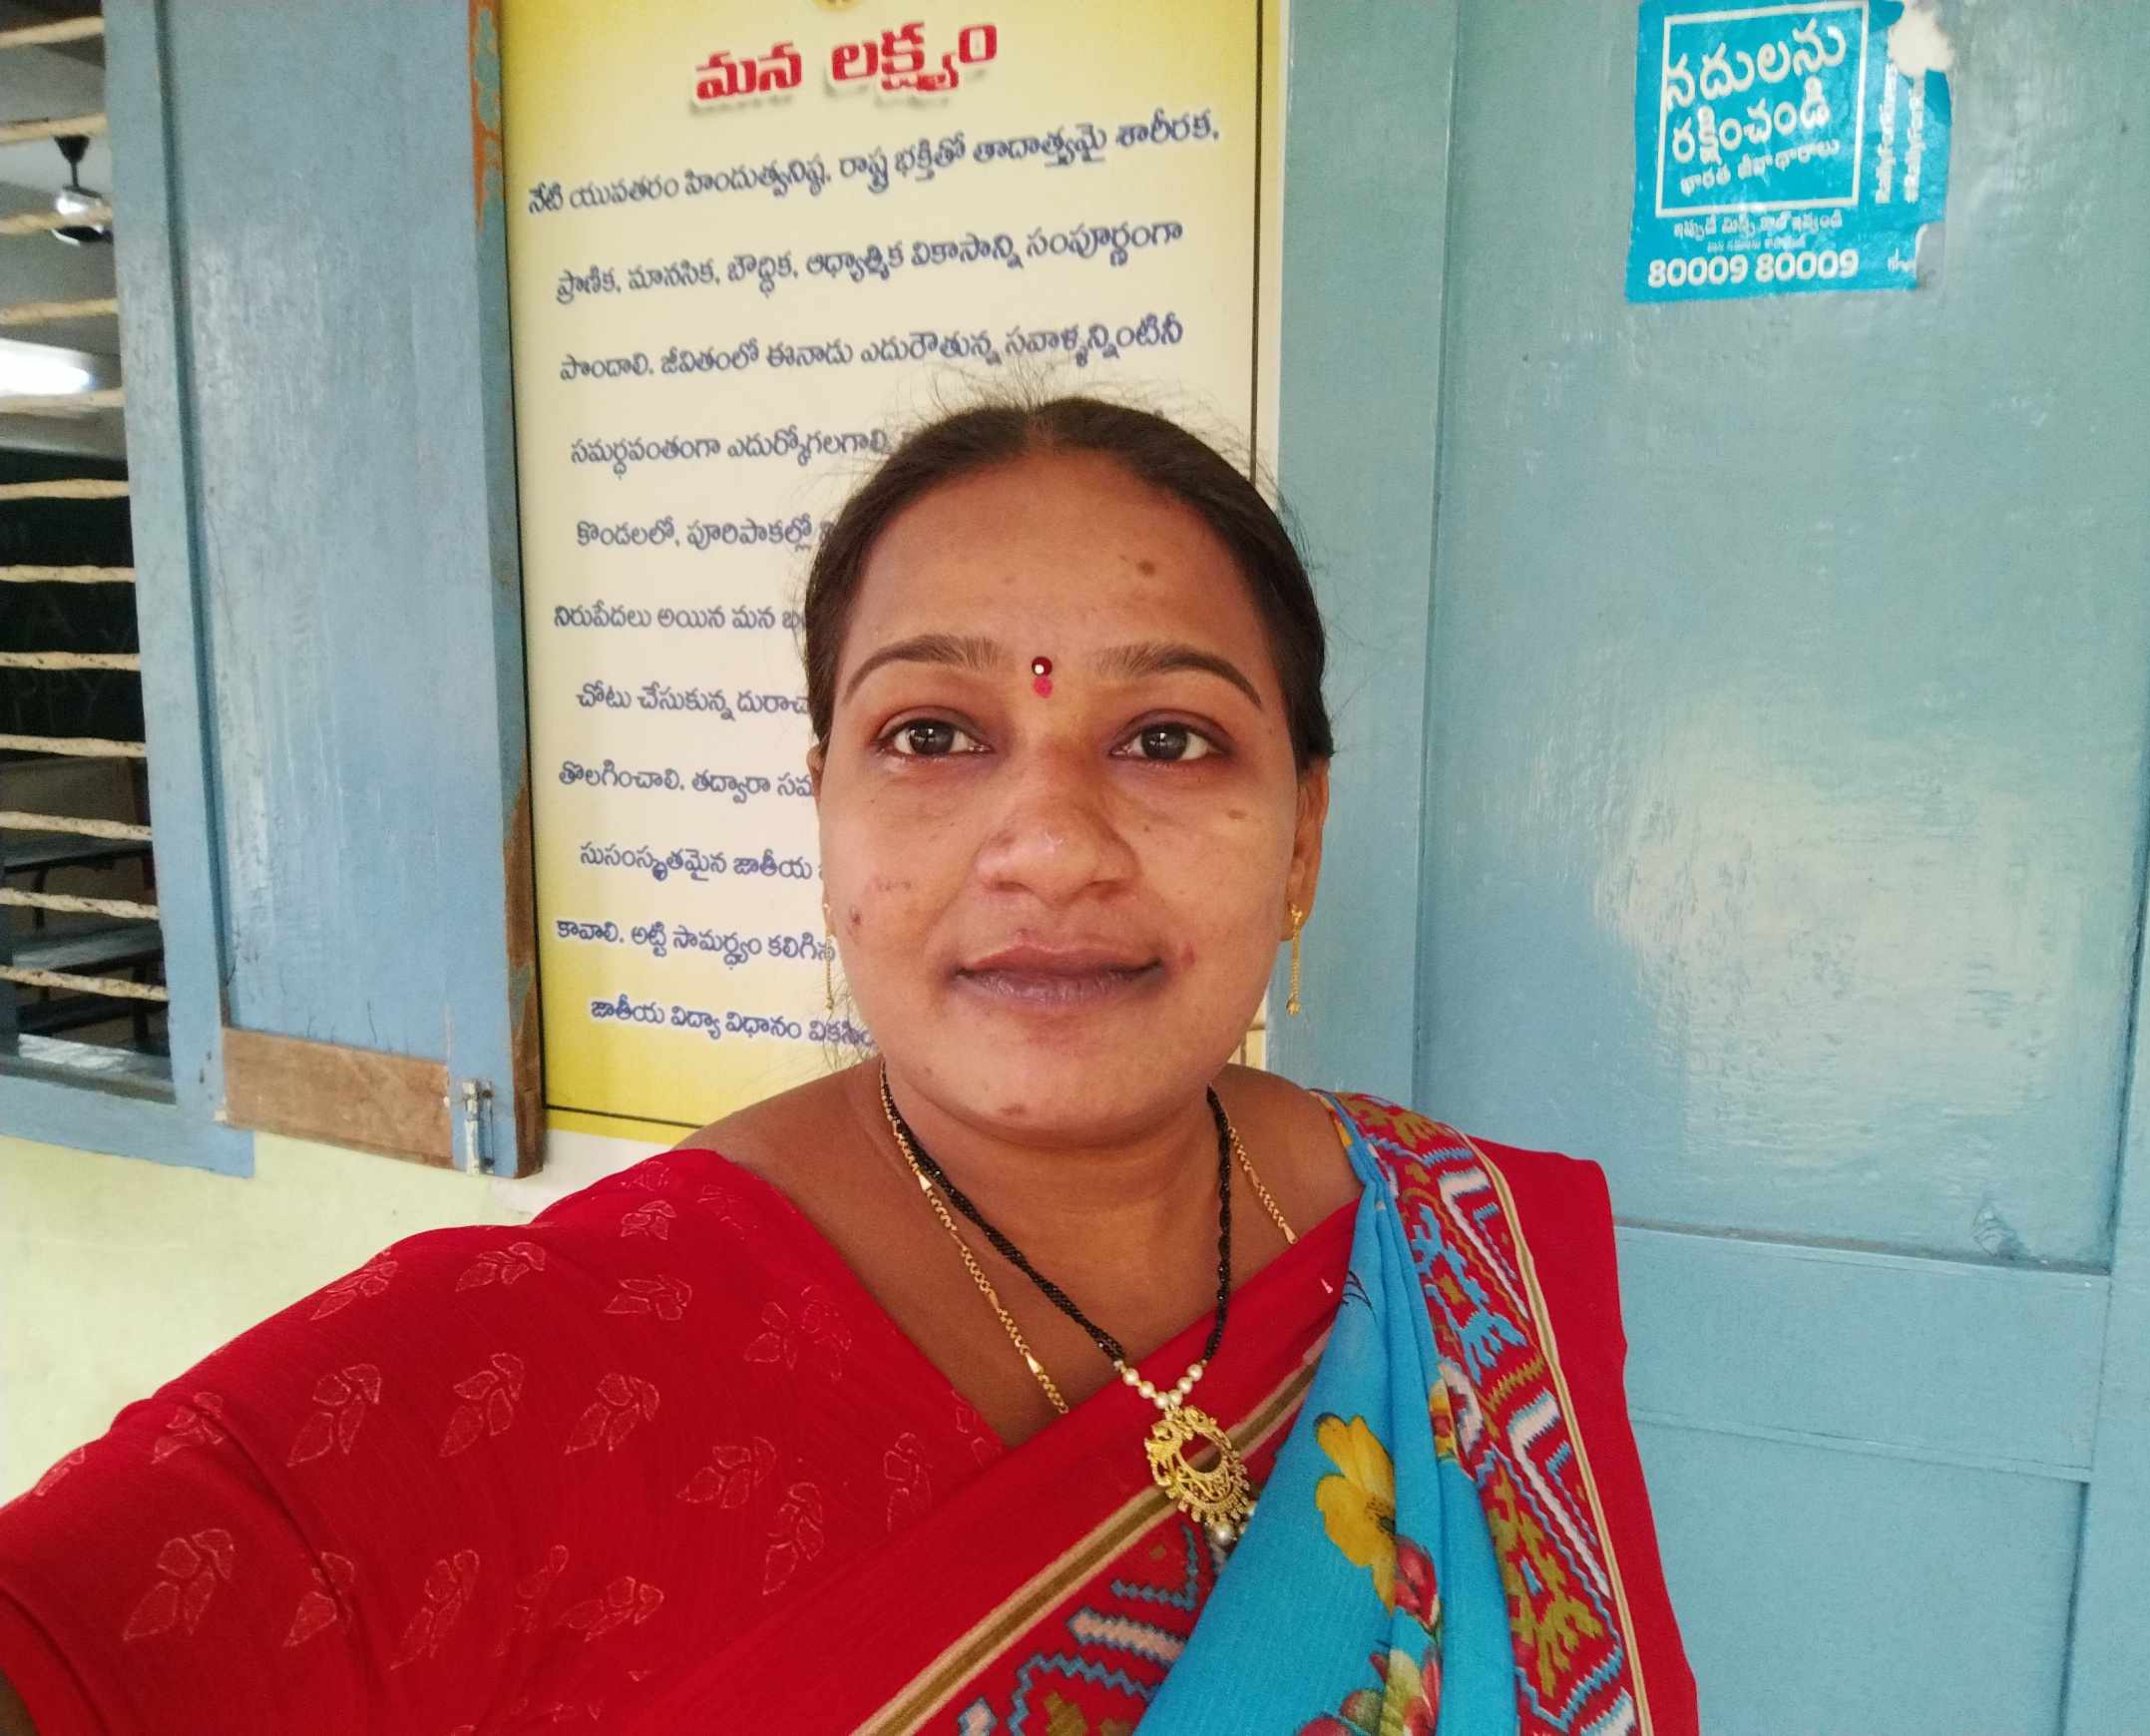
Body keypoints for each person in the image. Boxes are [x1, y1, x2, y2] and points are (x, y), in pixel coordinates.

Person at [0, 397, 1695, 1733]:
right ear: (826, 808)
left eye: (1168, 738)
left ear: (1304, 832)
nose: (1049, 844)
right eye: (932, 735)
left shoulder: (1464, 1250)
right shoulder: (515, 1382)